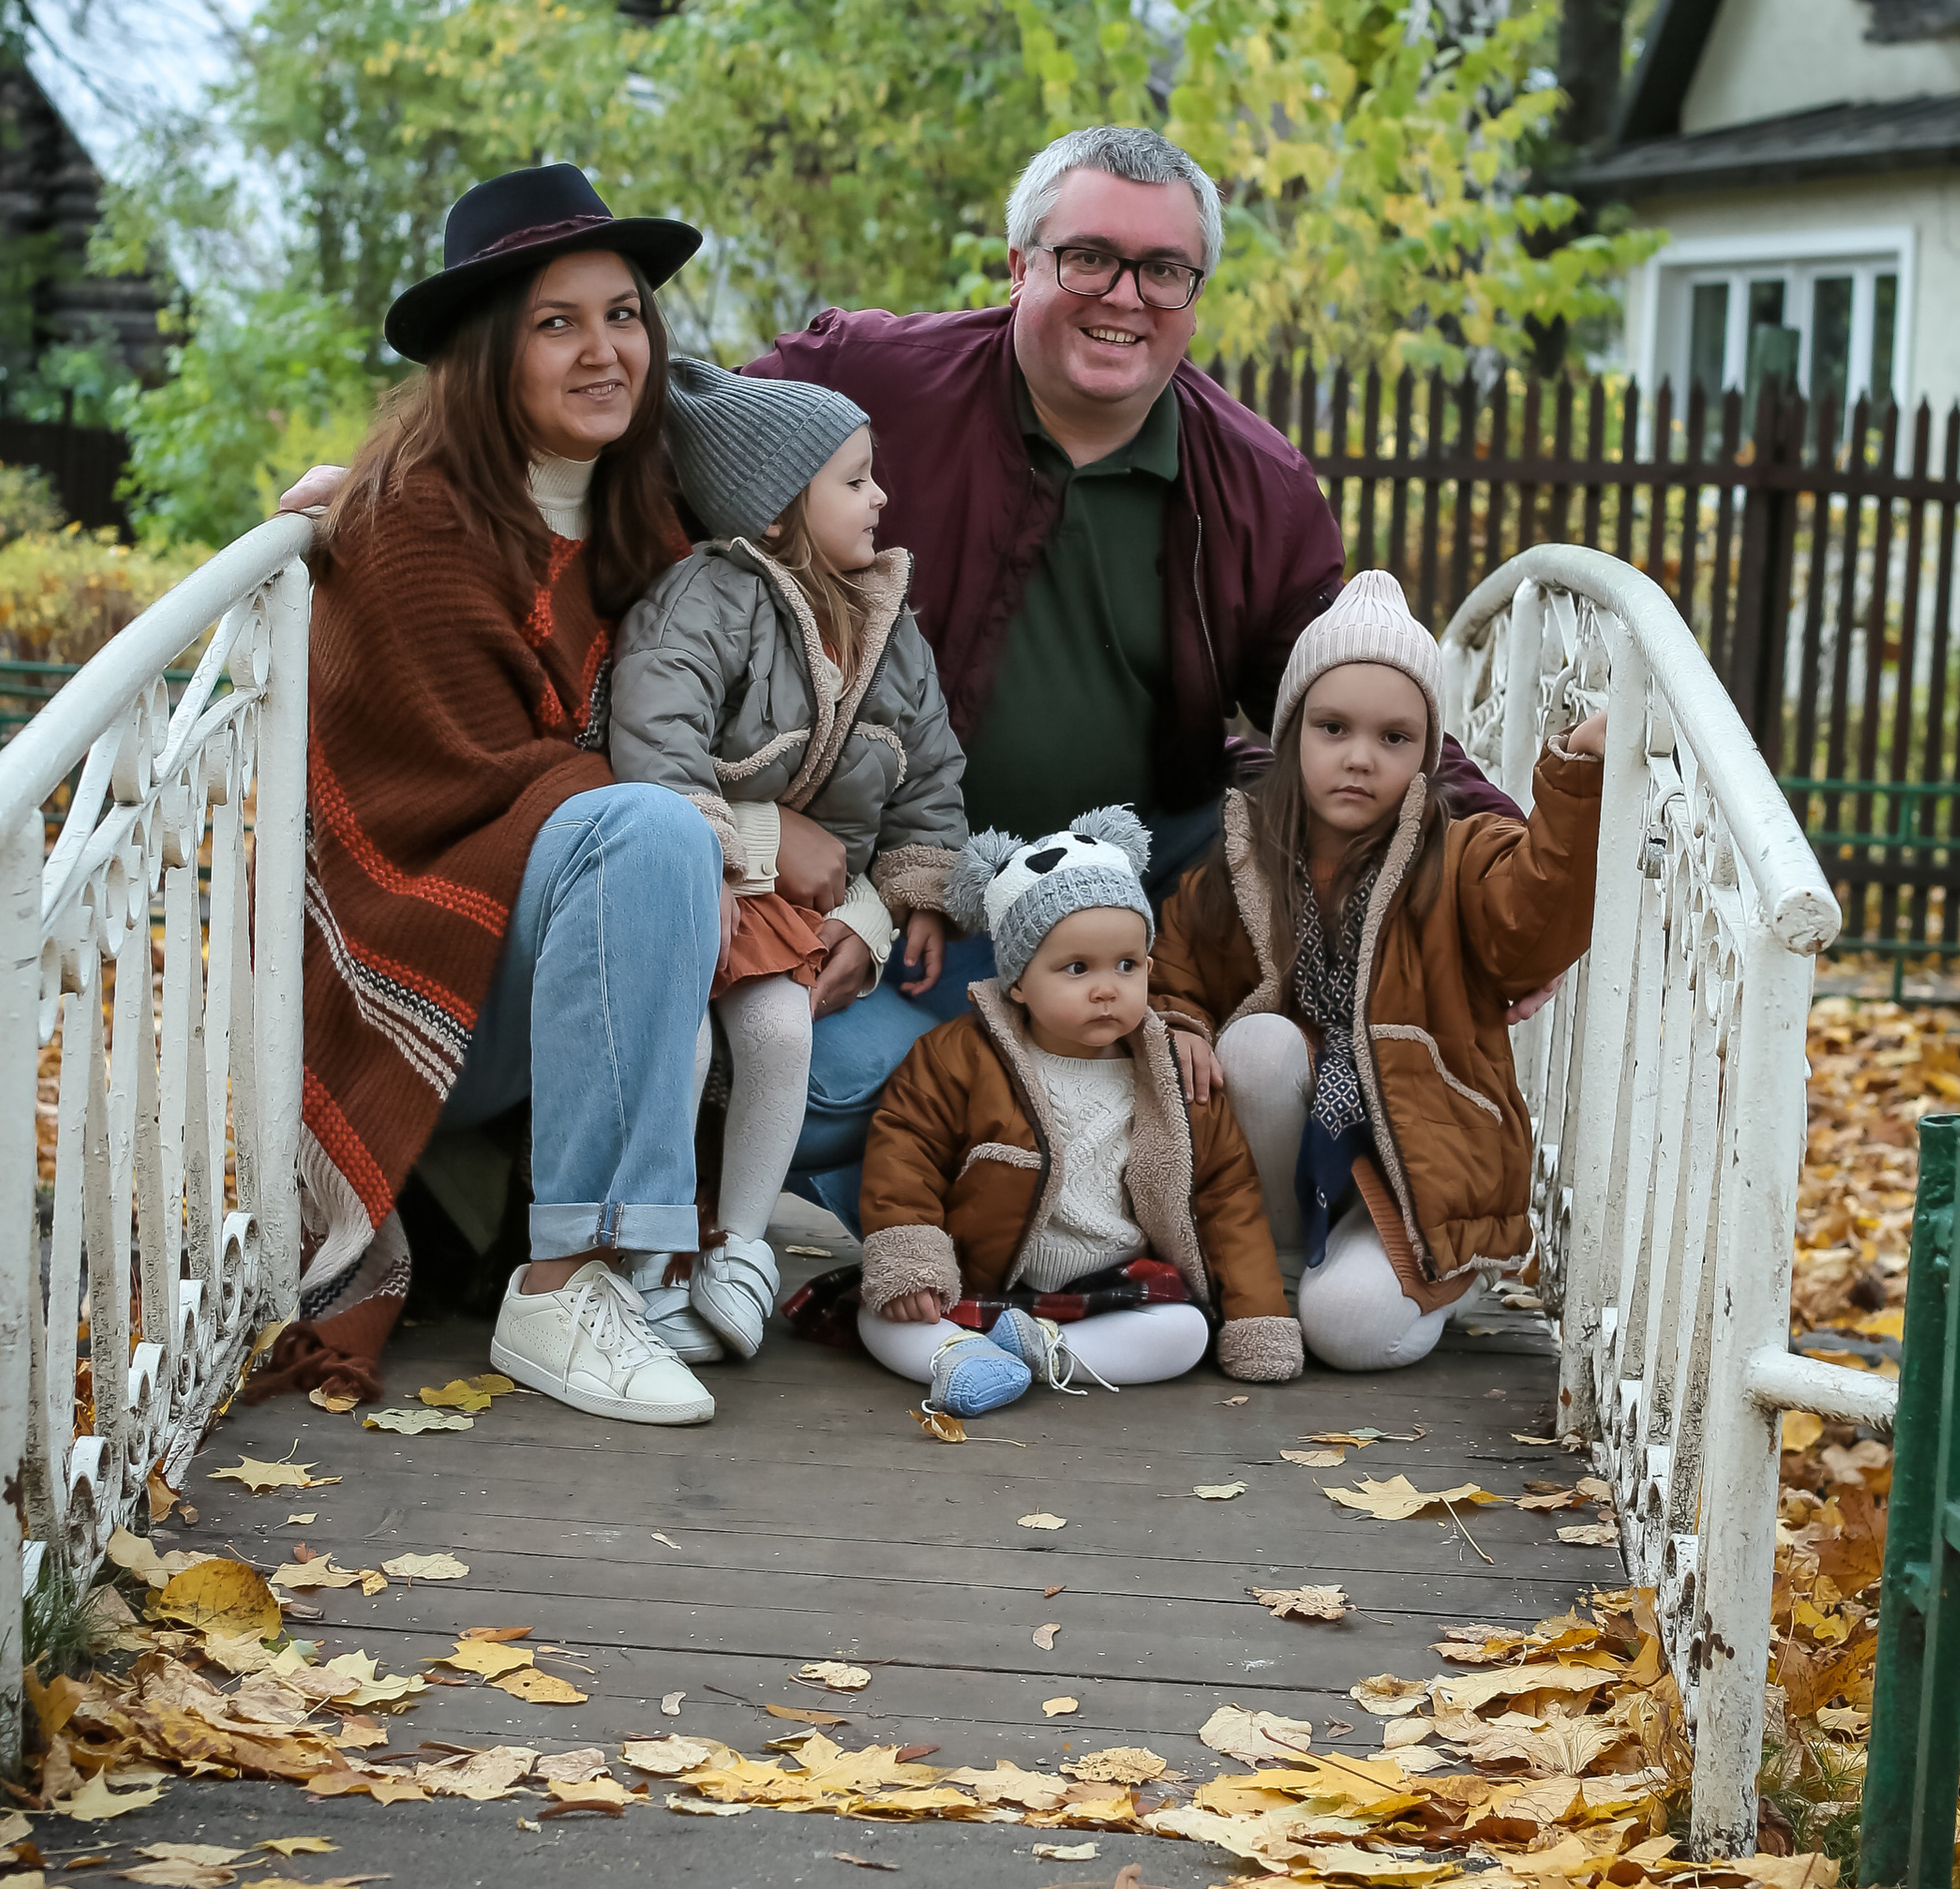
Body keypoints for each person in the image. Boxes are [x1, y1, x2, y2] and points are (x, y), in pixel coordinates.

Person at [750, 122, 1511, 1213]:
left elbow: (1347, 700)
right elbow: (688, 450)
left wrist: (1503, 863)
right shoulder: (870, 384)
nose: (1125, 297)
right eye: (1087, 257)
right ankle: (990, 1170)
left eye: (1164, 270)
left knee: (1313, 858)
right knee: (812, 1082)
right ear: (1019, 267)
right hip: (916, 892)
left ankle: (1268, 1201)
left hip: (1146, 893)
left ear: (1194, 295)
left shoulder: (1258, 484)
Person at [280, 162, 730, 1432]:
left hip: (546, 964)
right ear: (487, 354)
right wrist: (734, 828)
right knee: (648, 829)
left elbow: (802, 427)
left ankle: (653, 1258)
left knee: (669, 852)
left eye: (625, 314)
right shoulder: (417, 526)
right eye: (557, 322)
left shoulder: (643, 505)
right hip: (407, 977)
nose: (606, 352)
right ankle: (565, 1282)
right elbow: (468, 791)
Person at [1149, 574, 1607, 1374]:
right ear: (1292, 735)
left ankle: (1399, 1275)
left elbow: (1533, 924)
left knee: (1353, 1331)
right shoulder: (1240, 861)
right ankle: (1278, 1275)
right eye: (1334, 728)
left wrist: (1573, 778)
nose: (1360, 758)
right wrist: (1181, 1023)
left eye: (1394, 739)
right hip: (1290, 1165)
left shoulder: (1458, 855)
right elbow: (1173, 969)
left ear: (1427, 755)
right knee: (1256, 1044)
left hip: (1421, 1175)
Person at [606, 361, 969, 1354]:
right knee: (672, 1039)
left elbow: (927, 768)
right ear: (775, 510)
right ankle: (648, 1258)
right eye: (852, 481)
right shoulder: (707, 600)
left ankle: (741, 1247)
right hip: (700, 879)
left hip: (789, 909)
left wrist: (909, 895)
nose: (880, 497)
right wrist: (710, 855)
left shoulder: (887, 631)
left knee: (776, 1031)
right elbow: (656, 728)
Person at [855, 807, 1297, 1415]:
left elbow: (1227, 1194)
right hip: (981, 1276)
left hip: (1110, 1282)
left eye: (1127, 965)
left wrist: (1258, 1316)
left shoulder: (1170, 1071)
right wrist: (914, 1262)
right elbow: (905, 1154)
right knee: (882, 1315)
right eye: (1075, 968)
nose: (1106, 988)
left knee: (1185, 1333)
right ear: (1017, 983)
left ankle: (1043, 1350)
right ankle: (961, 1357)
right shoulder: (958, 1055)